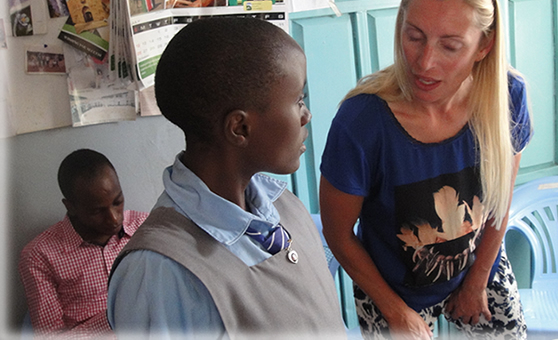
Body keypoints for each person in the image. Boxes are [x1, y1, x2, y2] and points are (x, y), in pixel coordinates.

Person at [319, 0, 532, 339]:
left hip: (482, 266)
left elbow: (500, 200)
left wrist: (478, 280)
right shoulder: (361, 121)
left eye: (450, 46)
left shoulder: (507, 95)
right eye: (414, 36)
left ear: (484, 46)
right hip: (392, 292)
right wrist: (396, 312)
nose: (424, 62)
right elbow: (338, 234)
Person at [107, 17, 346, 339]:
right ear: (240, 128)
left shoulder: (283, 206)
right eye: (298, 100)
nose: (307, 115)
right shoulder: (159, 271)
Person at [18, 149, 148, 338]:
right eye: (97, 211)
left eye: (117, 202)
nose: (113, 218)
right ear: (71, 206)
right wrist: (117, 317)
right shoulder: (40, 255)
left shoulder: (145, 228)